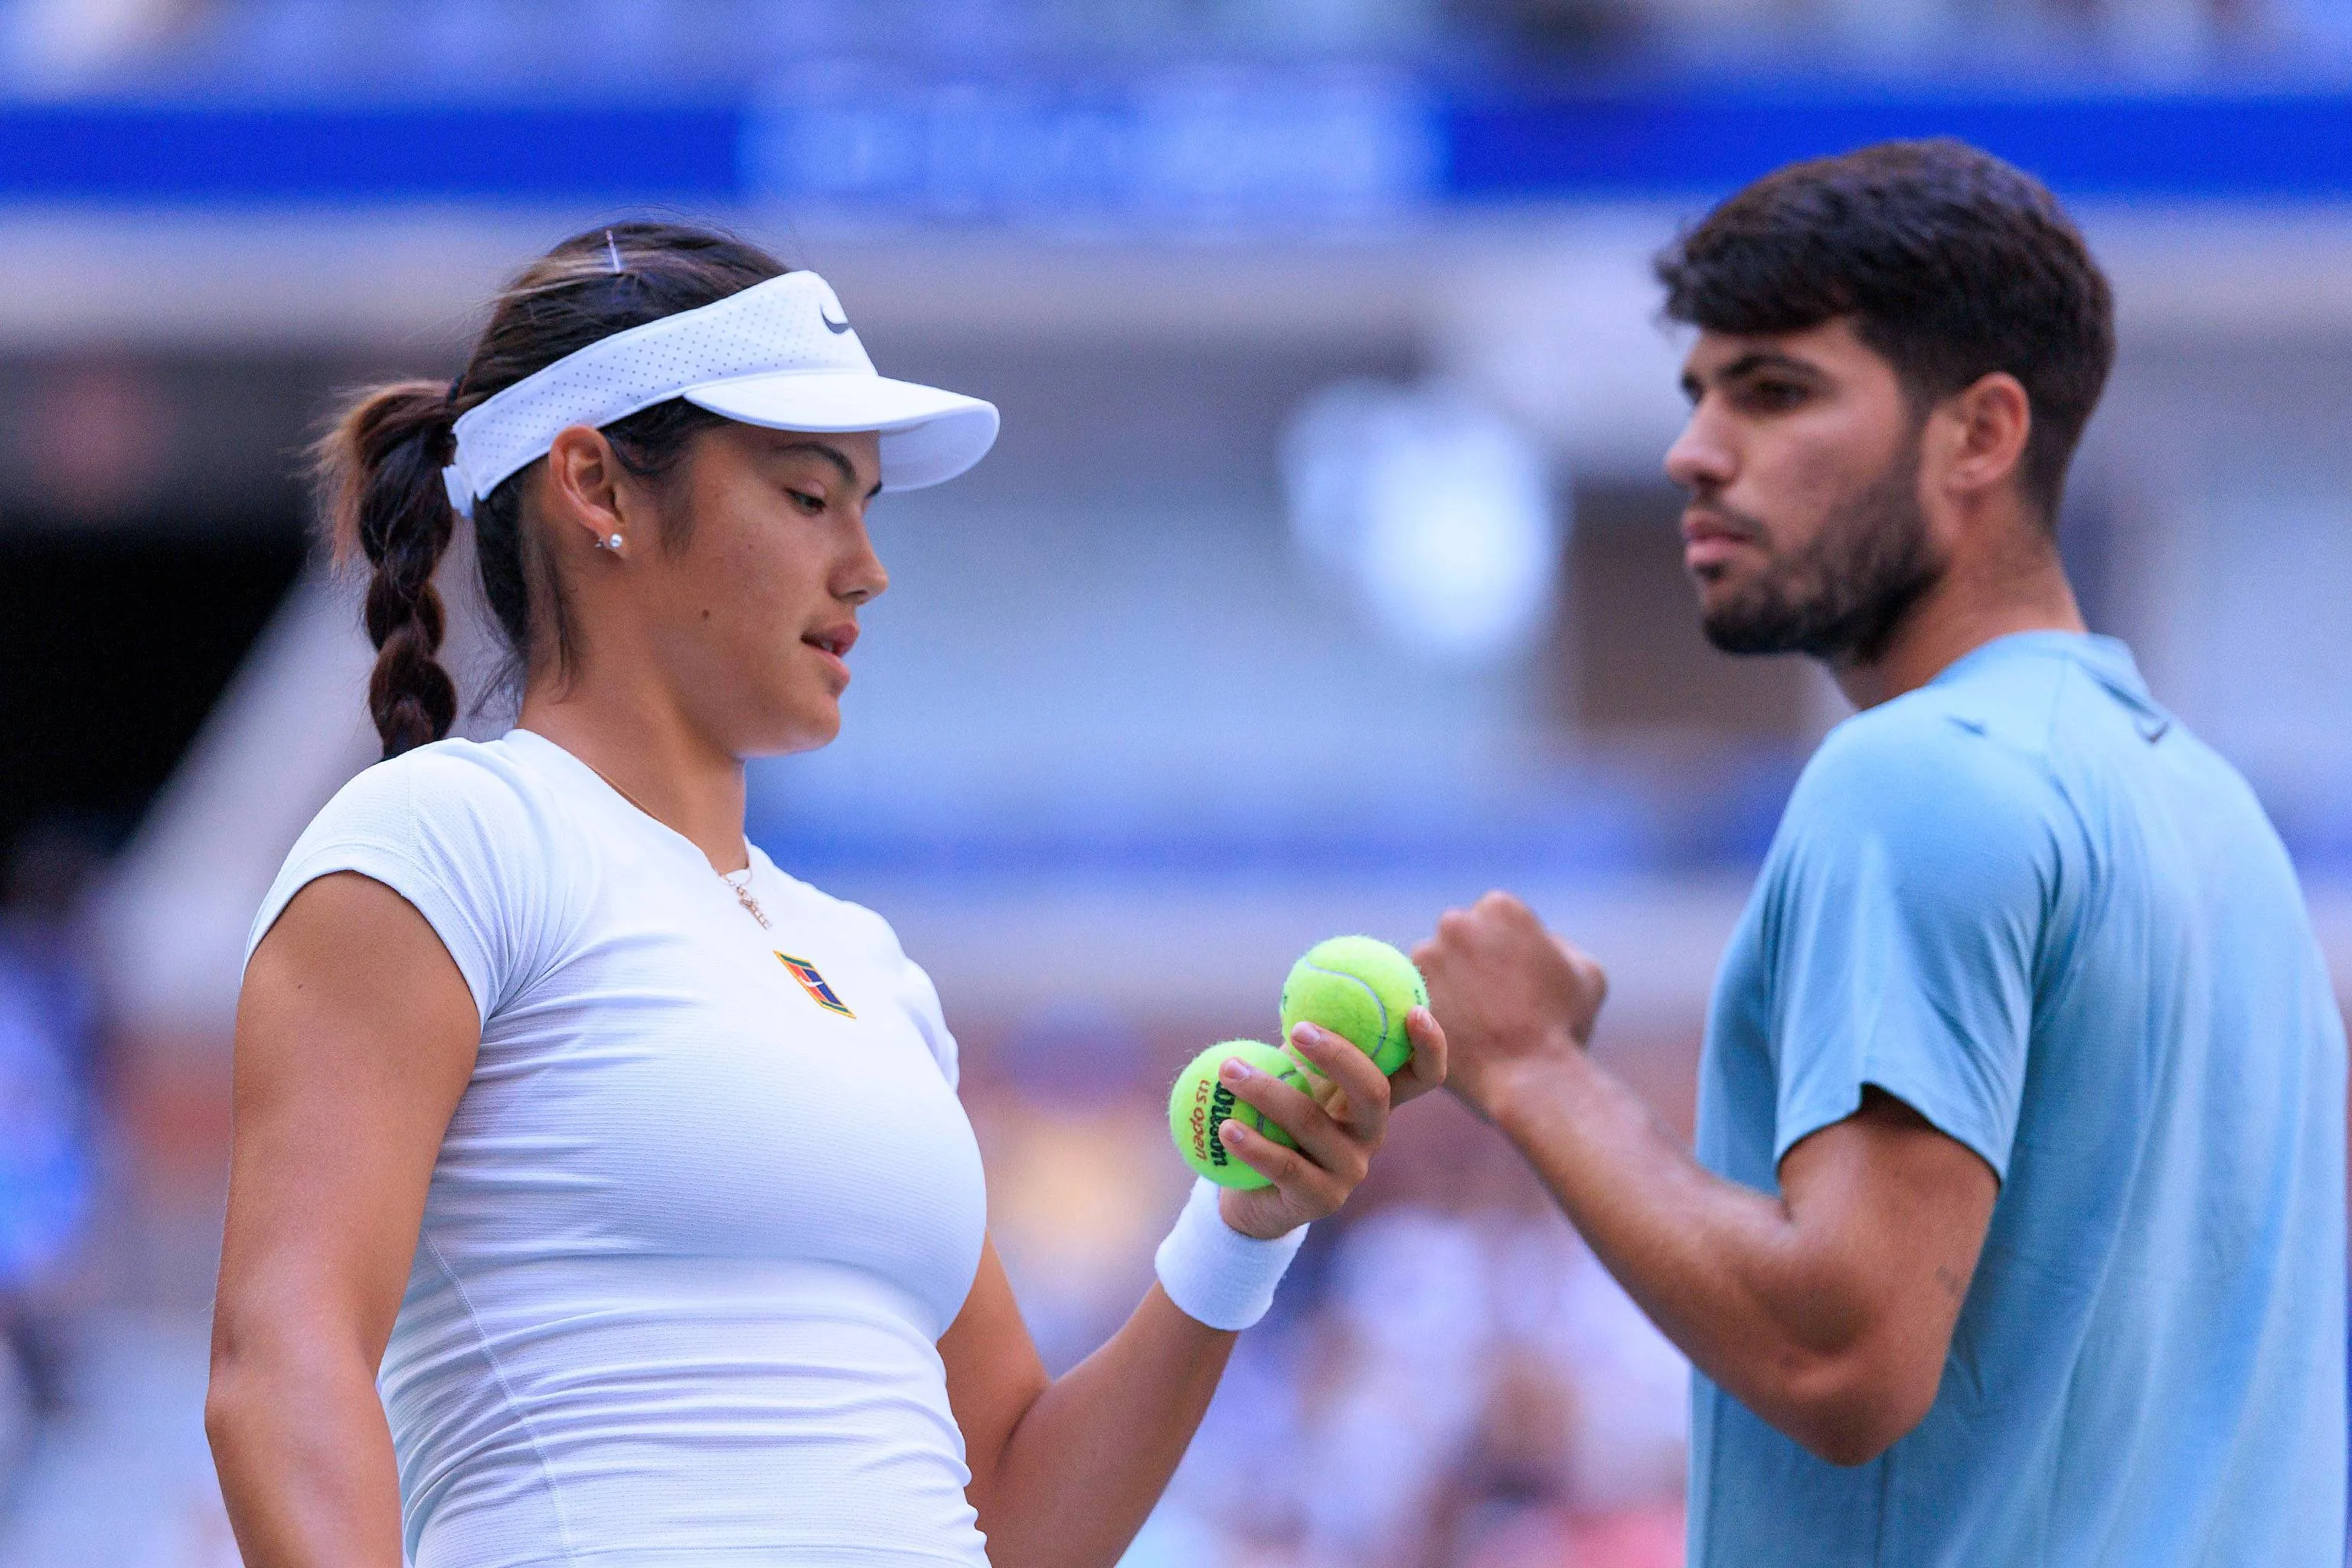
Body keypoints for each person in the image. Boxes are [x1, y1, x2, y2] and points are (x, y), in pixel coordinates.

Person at [204, 221, 1447, 1568]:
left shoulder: (865, 962)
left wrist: (1243, 1229)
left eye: (867, 505)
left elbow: (1018, 1518)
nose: (867, 566)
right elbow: (285, 1365)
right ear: (594, 486)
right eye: (808, 497)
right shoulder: (442, 836)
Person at [1413, 141, 2347, 1566]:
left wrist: (1538, 1071)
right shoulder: (2214, 813)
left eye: (1775, 390)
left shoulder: (1917, 778)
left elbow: (1839, 1360)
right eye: (1699, 393)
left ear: (1980, 434)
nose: (1693, 451)